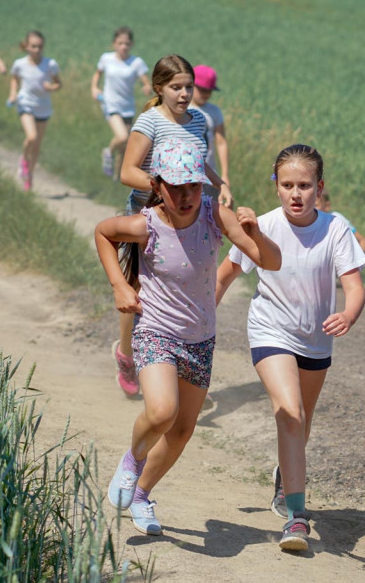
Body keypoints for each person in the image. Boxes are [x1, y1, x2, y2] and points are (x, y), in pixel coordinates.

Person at [99, 141, 280, 535]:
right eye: (176, 187)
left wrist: (255, 233)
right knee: (162, 413)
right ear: (157, 184)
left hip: (200, 339)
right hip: (156, 331)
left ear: (203, 185)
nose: (186, 197)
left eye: (194, 187)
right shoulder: (145, 225)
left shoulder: (215, 215)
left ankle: (142, 495)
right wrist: (119, 285)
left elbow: (271, 261)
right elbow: (103, 233)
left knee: (182, 430)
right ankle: (131, 462)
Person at [215, 144, 365, 551]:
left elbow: (354, 288)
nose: (296, 193)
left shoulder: (335, 229)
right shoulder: (262, 226)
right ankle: (297, 518)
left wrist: (349, 315)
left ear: (320, 187)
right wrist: (199, 321)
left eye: (304, 185)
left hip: (316, 341)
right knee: (290, 411)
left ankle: (286, 478)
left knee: (302, 421)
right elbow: (224, 276)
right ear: (276, 187)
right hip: (271, 331)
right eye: (287, 185)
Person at [114, 54, 233, 397]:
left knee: (186, 281)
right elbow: (127, 172)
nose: (184, 94)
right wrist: (163, 184)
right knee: (137, 291)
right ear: (159, 88)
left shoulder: (197, 121)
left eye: (188, 87)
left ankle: (171, 360)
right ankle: (127, 354)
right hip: (147, 216)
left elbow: (199, 164)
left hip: (188, 216)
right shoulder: (149, 122)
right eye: (176, 87)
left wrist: (219, 183)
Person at [7, 30, 61, 191]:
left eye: (39, 46)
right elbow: (14, 79)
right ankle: (23, 160)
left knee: (37, 145)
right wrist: (12, 93)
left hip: (43, 107)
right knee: (31, 136)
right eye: (33, 46)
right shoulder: (19, 64)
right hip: (25, 104)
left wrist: (51, 87)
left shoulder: (50, 64)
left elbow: (59, 84)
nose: (37, 50)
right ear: (27, 47)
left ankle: (29, 176)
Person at [91, 26, 148, 179]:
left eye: (127, 44)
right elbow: (98, 74)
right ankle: (108, 152)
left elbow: (145, 80)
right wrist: (94, 88)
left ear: (131, 45)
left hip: (128, 107)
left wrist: (147, 87)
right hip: (110, 104)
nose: (123, 47)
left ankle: (117, 177)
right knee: (122, 137)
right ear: (114, 44)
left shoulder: (136, 62)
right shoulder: (106, 58)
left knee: (125, 147)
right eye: (120, 43)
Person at [188, 64, 229, 198]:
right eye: (202, 89)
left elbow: (221, 142)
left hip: (210, 174)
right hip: (186, 173)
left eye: (209, 90)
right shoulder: (182, 108)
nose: (206, 94)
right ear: (191, 85)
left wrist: (224, 174)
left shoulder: (214, 111)